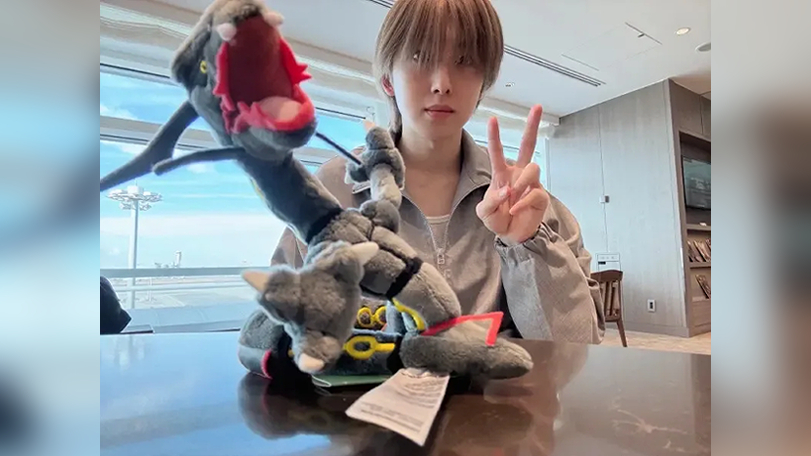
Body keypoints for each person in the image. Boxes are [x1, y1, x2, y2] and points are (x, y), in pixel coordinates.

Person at [271, 0, 604, 343]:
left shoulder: (525, 199)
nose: (442, 83)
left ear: (483, 83)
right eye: (420, 56)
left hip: (506, 379)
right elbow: (279, 330)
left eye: (464, 61)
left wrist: (525, 245)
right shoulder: (328, 191)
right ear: (388, 79)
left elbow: (579, 348)